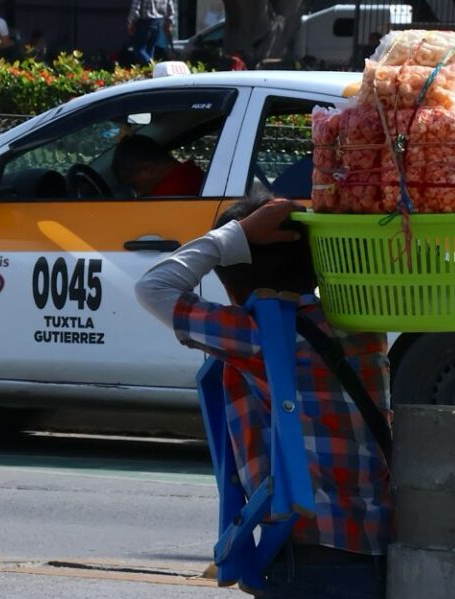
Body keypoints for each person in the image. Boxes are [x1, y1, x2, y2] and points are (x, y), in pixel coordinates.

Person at [134, 196, 394, 598]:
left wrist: (233, 237)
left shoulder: (254, 336)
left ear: (230, 285)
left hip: (308, 559)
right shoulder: (364, 325)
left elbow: (154, 287)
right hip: (379, 551)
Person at [112, 135, 206, 197]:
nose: (139, 193)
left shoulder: (166, 197)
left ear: (148, 169)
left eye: (134, 185)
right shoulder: (193, 175)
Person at [127, 0, 176, 65]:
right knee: (150, 48)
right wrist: (169, 23)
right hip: (158, 21)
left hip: (144, 22)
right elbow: (171, 9)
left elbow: (135, 9)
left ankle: (151, 64)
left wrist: (130, 22)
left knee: (138, 48)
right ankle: (150, 70)